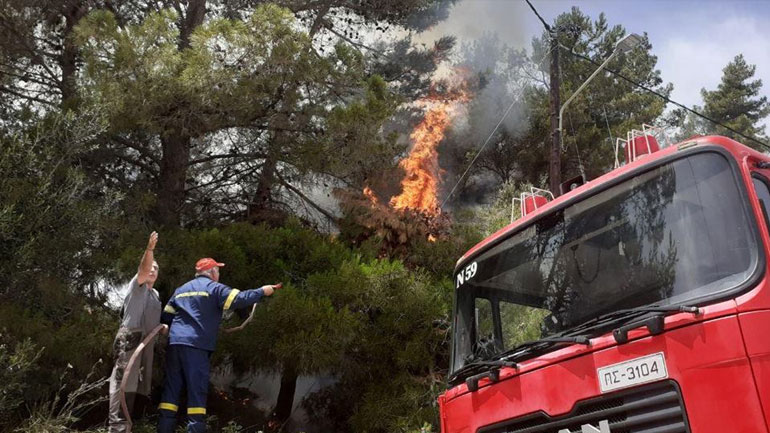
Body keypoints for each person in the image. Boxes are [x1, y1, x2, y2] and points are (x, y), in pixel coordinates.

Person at [157, 257, 281, 433]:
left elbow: (167, 317)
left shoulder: (181, 290)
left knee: (171, 392)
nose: (219, 274)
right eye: (218, 271)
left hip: (175, 344)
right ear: (212, 272)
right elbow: (240, 298)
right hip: (197, 346)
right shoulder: (214, 288)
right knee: (196, 394)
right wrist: (263, 291)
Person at [109, 231, 163, 433]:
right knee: (123, 386)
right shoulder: (137, 285)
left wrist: (162, 328)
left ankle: (132, 427)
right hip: (131, 341)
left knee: (141, 390)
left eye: (156, 268)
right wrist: (149, 250)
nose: (152, 270)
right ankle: (117, 430)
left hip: (147, 346)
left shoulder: (155, 294)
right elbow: (143, 269)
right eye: (151, 267)